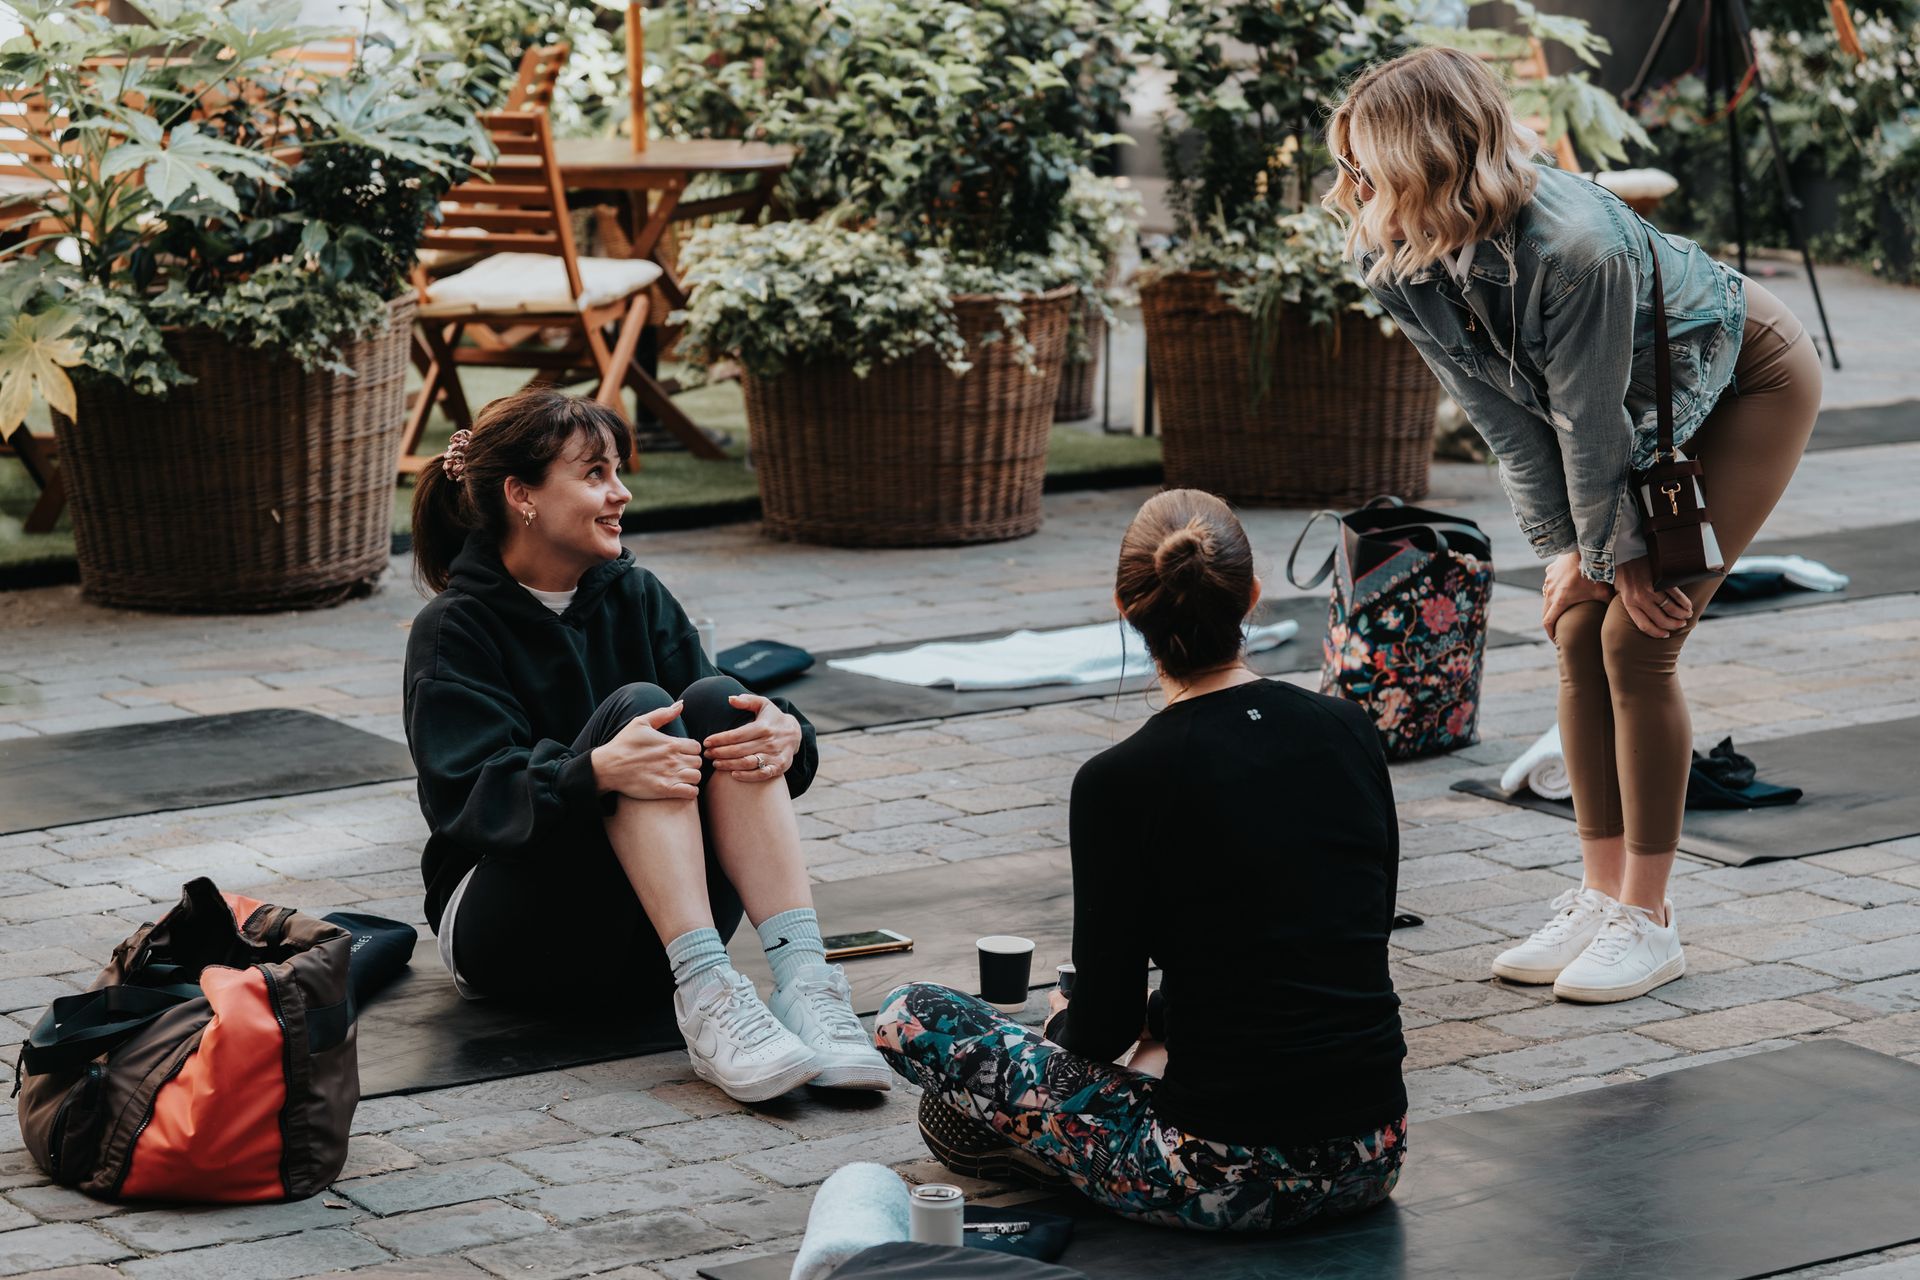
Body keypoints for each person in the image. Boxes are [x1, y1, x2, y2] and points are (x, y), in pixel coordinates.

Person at [1325, 48, 1821, 1003]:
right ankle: (1598, 897)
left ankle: (1649, 917)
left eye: (1367, 167)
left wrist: (1618, 557)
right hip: (1635, 416)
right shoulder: (1391, 251)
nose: (1352, 189)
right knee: (1572, 622)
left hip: (1743, 381)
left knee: (1638, 637)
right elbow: (1508, 420)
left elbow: (1589, 423)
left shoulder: (1577, 246)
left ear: (1431, 158)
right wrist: (1568, 555)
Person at [874, 490, 1408, 1232]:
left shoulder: (1119, 779)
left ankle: (1059, 1153)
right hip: (1373, 1151)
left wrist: (1064, 1031)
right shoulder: (1348, 727)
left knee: (910, 1013)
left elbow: (1101, 1025)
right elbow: (1344, 934)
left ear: (1126, 608)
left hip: (1221, 1177)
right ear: (1252, 597)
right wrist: (1162, 1024)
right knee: (1160, 1037)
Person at [403, 388, 889, 1101]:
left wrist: (788, 733)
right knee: (641, 710)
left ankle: (804, 983)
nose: (620, 493)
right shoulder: (454, 628)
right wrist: (593, 770)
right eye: (595, 474)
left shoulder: (636, 593)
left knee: (726, 702)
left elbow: (729, 720)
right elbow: (468, 803)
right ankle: (706, 995)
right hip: (515, 939)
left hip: (645, 935)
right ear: (523, 495)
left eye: (618, 473)